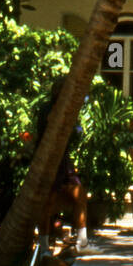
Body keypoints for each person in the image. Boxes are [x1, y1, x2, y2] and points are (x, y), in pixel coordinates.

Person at [34, 83, 92, 255]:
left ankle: (82, 243)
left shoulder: (67, 109)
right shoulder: (47, 109)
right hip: (48, 161)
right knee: (47, 203)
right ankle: (44, 248)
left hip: (64, 163)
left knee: (80, 197)